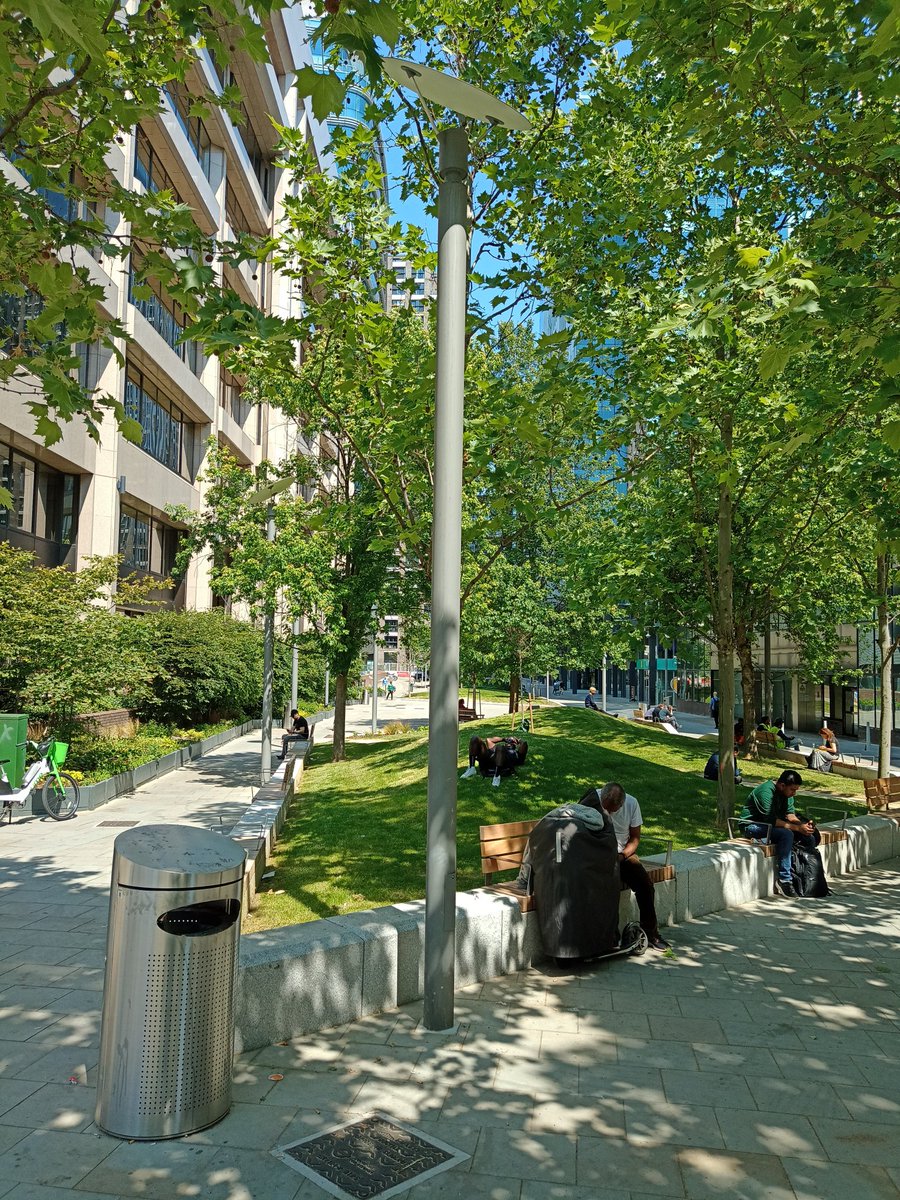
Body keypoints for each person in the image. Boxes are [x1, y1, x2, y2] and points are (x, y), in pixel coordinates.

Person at [583, 781, 671, 951]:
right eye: (606, 808)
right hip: (598, 855)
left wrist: (622, 856)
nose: (608, 813)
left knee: (645, 885)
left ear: (621, 804)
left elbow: (635, 838)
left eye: (612, 810)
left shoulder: (632, 803)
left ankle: (651, 933)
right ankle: (608, 937)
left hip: (622, 854)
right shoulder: (592, 800)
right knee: (606, 887)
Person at [739, 769, 817, 897]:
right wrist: (797, 828)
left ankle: (806, 876)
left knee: (809, 837)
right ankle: (784, 880)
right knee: (786, 834)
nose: (794, 793)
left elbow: (790, 815)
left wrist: (803, 826)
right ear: (782, 785)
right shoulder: (766, 792)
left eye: (796, 790)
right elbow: (771, 820)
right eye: (792, 790)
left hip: (772, 826)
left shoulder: (787, 794)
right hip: (753, 826)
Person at [461, 735, 528, 787]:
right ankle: (472, 768)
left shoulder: (516, 753)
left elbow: (524, 743)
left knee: (499, 747)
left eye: (511, 742)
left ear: (515, 745)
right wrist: (503, 739)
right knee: (475, 738)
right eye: (508, 741)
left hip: (502, 761)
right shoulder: (495, 747)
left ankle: (496, 777)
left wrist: (518, 740)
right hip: (488, 758)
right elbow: (488, 740)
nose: (509, 742)